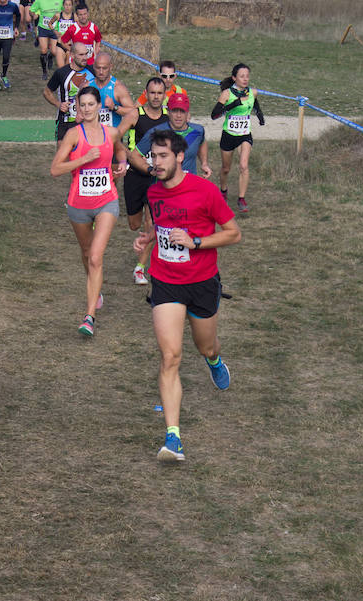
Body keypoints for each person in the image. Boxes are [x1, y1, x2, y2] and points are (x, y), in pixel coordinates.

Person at [132, 130, 241, 463]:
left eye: (163, 156)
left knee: (205, 344)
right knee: (170, 356)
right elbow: (162, 225)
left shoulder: (205, 191)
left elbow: (234, 234)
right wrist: (148, 239)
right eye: (153, 155)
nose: (156, 162)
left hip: (203, 282)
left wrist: (195, 242)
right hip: (165, 281)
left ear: (180, 157)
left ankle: (213, 360)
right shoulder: (153, 192)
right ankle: (173, 437)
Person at [50, 86, 128, 336]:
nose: (86, 109)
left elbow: (119, 150)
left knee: (96, 256)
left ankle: (89, 316)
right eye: (82, 105)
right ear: (78, 108)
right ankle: (96, 289)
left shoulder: (112, 132)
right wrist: (83, 160)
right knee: (86, 253)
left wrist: (123, 165)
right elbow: (55, 169)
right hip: (79, 204)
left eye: (90, 104)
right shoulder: (74, 134)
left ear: (99, 106)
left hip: (107, 200)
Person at [120, 77, 168, 285]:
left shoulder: (168, 118)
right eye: (152, 93)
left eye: (159, 93)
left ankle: (140, 268)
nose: (156, 97)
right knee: (134, 224)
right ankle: (144, 243)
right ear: (145, 94)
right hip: (135, 174)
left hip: (156, 177)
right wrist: (127, 156)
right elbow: (115, 137)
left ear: (164, 94)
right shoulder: (134, 115)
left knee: (152, 221)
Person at [211, 63, 265, 213]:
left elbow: (255, 104)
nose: (245, 79)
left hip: (244, 135)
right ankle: (223, 190)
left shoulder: (253, 92)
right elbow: (214, 115)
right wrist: (234, 103)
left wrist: (260, 115)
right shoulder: (226, 94)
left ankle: (241, 199)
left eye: (247, 76)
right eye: (242, 76)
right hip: (228, 135)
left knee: (243, 166)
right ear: (234, 78)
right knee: (226, 168)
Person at [129, 92, 211, 178]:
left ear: (187, 113)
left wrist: (204, 163)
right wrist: (150, 170)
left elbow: (201, 142)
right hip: (164, 187)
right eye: (175, 111)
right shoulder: (157, 132)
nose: (178, 115)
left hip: (189, 185)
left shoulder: (198, 131)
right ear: (168, 112)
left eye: (182, 111)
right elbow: (134, 156)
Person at [43, 42, 94, 141]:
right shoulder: (62, 73)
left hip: (89, 120)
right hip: (66, 120)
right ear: (72, 55)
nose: (85, 58)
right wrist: (58, 104)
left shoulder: (93, 71)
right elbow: (47, 92)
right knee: (63, 155)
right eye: (81, 55)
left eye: (86, 54)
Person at [88, 52, 134, 132]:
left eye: (104, 68)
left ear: (110, 67)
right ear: (94, 67)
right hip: (92, 135)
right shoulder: (87, 86)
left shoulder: (118, 88)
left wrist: (114, 107)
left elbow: (132, 113)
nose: (101, 72)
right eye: (98, 68)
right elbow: (78, 114)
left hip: (112, 136)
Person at [0, 0, 21, 91]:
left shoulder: (13, 6)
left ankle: (4, 75)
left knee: (6, 57)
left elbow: (18, 15)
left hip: (8, 37)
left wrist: (16, 27)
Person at [59, 1, 101, 66]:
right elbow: (62, 41)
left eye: (84, 14)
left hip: (90, 62)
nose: (83, 17)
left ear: (88, 14)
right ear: (77, 15)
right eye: (80, 15)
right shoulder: (73, 28)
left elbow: (98, 40)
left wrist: (96, 49)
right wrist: (72, 50)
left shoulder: (94, 28)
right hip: (76, 63)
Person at [30, 0, 62, 79]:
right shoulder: (40, 1)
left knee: (54, 51)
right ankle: (44, 72)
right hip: (43, 28)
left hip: (55, 29)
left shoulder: (60, 1)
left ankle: (50, 56)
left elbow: (65, 10)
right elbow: (31, 10)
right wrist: (33, 15)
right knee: (43, 50)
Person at [51, 0, 76, 68]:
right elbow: (50, 23)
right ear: (63, 6)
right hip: (60, 44)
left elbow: (80, 28)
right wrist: (55, 31)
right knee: (61, 69)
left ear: (72, 6)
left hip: (70, 46)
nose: (67, 7)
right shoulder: (58, 15)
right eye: (66, 5)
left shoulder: (75, 17)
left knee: (68, 69)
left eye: (69, 5)